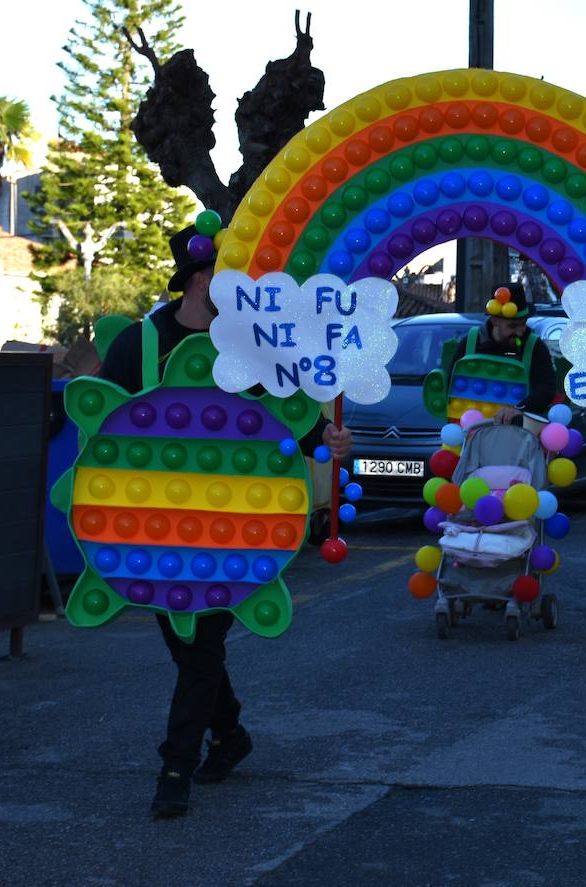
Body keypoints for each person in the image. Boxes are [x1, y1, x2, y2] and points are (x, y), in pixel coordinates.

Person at [98, 225, 354, 818]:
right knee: (185, 643)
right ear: (198, 278)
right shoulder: (139, 343)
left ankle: (174, 769)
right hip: (154, 527)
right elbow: (102, 427)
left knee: (202, 641)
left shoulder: (251, 345)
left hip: (234, 525)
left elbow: (295, 420)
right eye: (225, 276)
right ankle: (231, 735)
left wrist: (332, 440)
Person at [438, 282, 556, 423]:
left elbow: (546, 388)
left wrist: (519, 409)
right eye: (512, 326)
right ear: (494, 321)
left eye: (523, 324)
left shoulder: (535, 346)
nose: (519, 332)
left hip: (516, 432)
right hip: (472, 430)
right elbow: (452, 384)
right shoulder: (471, 342)